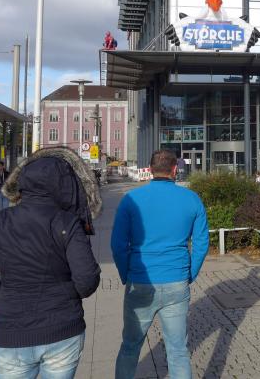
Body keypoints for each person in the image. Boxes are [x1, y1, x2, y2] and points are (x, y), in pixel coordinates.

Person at [0, 148, 102, 378]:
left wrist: (1, 293)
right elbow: (87, 279)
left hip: (12, 331)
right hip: (62, 329)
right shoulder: (67, 221)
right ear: (61, 185)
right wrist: (63, 296)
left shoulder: (1, 221)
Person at [111, 150, 209, 379]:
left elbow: (117, 245)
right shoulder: (192, 199)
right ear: (175, 169)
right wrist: (190, 274)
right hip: (176, 281)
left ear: (150, 169)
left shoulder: (131, 200)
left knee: (130, 346)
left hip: (140, 280)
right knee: (178, 351)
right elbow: (202, 243)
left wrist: (126, 274)